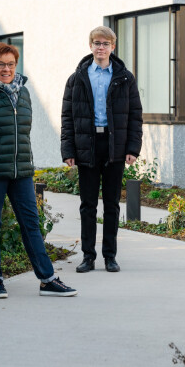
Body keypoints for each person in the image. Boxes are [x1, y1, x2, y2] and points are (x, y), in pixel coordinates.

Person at [0, 42, 77, 298]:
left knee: (31, 224)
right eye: (0, 64)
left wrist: (27, 164)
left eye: (11, 64)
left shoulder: (23, 93)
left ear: (16, 65)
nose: (6, 69)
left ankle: (47, 279)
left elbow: (23, 134)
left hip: (21, 172)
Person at [61, 26, 143, 273]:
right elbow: (67, 116)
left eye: (105, 44)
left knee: (111, 204)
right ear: (90, 46)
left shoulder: (125, 78)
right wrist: (68, 150)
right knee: (87, 205)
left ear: (112, 47)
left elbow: (135, 116)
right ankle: (88, 256)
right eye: (97, 43)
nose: (101, 48)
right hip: (87, 145)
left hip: (114, 146)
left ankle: (110, 256)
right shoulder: (77, 78)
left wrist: (132, 148)